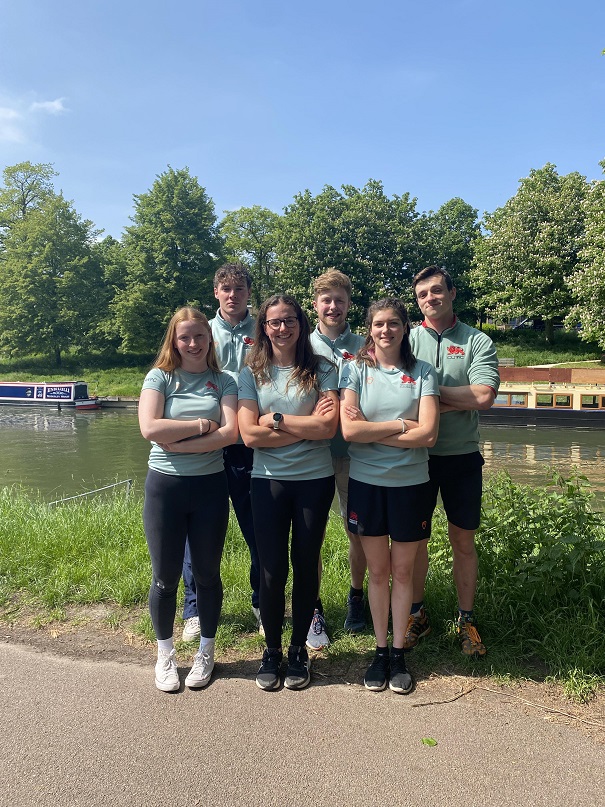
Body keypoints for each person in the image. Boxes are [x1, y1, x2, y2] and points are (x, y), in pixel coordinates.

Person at [238, 294, 339, 691]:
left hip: (315, 480)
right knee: (271, 568)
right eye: (274, 322)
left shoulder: (323, 369)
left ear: (301, 323)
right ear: (263, 327)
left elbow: (327, 429)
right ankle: (273, 650)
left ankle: (299, 650)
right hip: (267, 481)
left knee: (305, 562)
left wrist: (276, 420)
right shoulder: (252, 372)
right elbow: (248, 434)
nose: (283, 328)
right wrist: (303, 425)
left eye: (290, 320)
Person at [340, 298, 439, 693]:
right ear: (370, 329)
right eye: (379, 324)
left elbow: (429, 434)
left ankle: (399, 653)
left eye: (394, 323)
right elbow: (349, 432)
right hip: (366, 484)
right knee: (377, 573)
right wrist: (401, 424)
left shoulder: (423, 372)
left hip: (411, 486)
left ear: (405, 328)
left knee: (402, 573)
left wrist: (374, 428)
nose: (386, 330)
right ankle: (379, 651)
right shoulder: (355, 371)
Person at [139, 307, 238, 692]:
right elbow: (150, 427)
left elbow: (230, 434)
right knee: (164, 579)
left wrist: (179, 440)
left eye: (199, 336)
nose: (193, 344)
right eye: (185, 337)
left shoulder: (224, 380)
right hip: (165, 488)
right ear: (174, 341)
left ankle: (206, 651)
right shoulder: (160, 377)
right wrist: (202, 425)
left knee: (207, 575)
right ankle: (165, 654)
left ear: (209, 339)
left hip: (211, 488)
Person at [406, 266, 500, 657]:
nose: (431, 298)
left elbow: (482, 396)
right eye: (423, 294)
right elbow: (395, 392)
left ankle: (466, 618)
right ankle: (417, 614)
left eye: (437, 291)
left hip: (462, 457)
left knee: (463, 540)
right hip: (415, 458)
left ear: (452, 293)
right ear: (418, 301)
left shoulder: (477, 340)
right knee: (414, 542)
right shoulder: (406, 338)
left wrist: (426, 398)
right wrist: (442, 402)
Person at [181, 262, 261, 642]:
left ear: (249, 293)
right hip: (206, 443)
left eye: (240, 289)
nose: (233, 295)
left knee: (257, 529)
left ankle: (262, 602)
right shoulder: (200, 332)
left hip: (247, 444)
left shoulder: (265, 328)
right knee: (196, 533)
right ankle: (194, 608)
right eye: (226, 289)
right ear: (216, 292)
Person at [308, 270, 366, 649]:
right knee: (310, 534)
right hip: (309, 454)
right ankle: (314, 609)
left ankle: (356, 597)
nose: (333, 306)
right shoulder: (298, 342)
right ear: (315, 304)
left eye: (339, 300)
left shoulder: (365, 345)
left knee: (357, 530)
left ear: (348, 303)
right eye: (326, 300)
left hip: (354, 453)